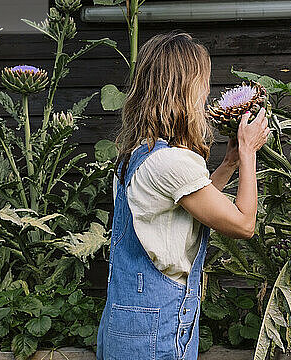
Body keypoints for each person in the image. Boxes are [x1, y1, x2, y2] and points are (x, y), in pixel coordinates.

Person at [96, 31, 270, 360]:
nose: (205, 94)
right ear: (184, 89)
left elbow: (192, 205)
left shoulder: (139, 153)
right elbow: (244, 224)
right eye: (201, 84)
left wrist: (230, 163)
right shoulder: (171, 161)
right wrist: (248, 152)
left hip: (127, 321)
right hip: (156, 327)